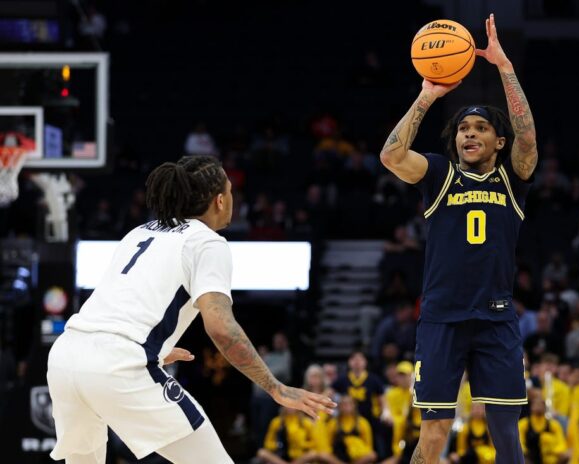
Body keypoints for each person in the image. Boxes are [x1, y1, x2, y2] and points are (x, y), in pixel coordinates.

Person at [46, 156, 335, 464]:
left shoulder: (139, 232)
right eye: (230, 191)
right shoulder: (207, 242)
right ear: (220, 200)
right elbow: (221, 328)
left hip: (66, 356)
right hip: (118, 364)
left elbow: (121, 307)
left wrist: (154, 349)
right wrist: (275, 388)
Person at [379, 14, 537, 464]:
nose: (470, 133)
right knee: (434, 431)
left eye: (481, 128)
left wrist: (504, 67)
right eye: (464, 128)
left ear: (499, 142)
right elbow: (391, 155)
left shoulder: (512, 180)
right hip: (442, 318)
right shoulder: (440, 174)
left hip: (496, 318)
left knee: (505, 429)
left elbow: (527, 138)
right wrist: (427, 95)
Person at [518, 395, 569, 464]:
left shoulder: (553, 424)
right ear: (531, 406)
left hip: (549, 458)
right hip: (529, 458)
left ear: (545, 407)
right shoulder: (523, 423)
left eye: (541, 404)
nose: (539, 405)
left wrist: (553, 449)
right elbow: (520, 443)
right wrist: (525, 453)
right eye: (536, 403)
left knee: (566, 455)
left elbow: (561, 444)